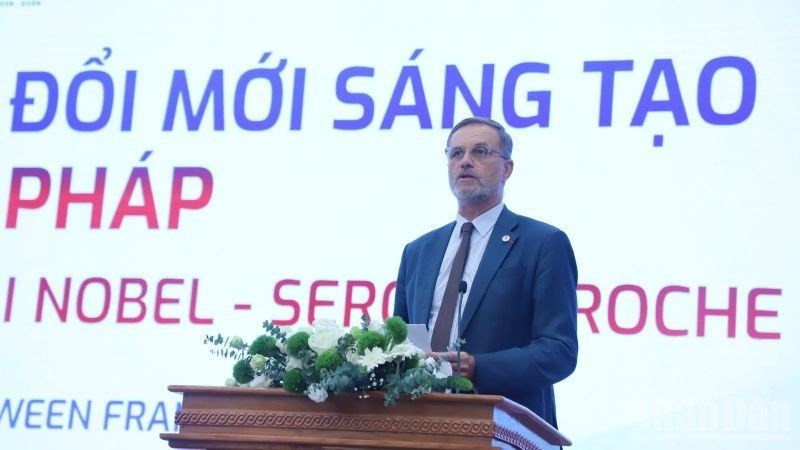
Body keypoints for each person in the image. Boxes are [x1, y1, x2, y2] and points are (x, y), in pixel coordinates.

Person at [393, 117, 578, 428]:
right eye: (456, 153)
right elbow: (406, 337)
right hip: (420, 423)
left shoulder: (543, 243)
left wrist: (478, 367)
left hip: (504, 427)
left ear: (507, 169)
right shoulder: (418, 251)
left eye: (480, 152)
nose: (465, 161)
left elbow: (559, 351)